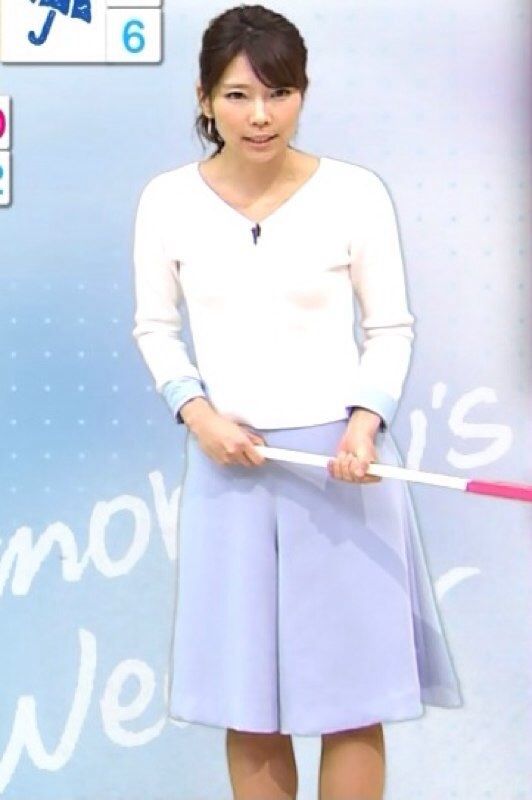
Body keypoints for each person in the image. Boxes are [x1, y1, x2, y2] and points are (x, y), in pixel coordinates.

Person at [132, 5, 462, 799]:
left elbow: (390, 328)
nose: (261, 115)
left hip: (341, 471)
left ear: (302, 95)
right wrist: (199, 415)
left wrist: (364, 424)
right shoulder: (167, 201)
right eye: (239, 95)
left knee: (352, 702)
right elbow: (155, 329)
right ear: (205, 98)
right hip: (229, 468)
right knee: (250, 704)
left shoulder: (354, 193)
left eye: (279, 93)